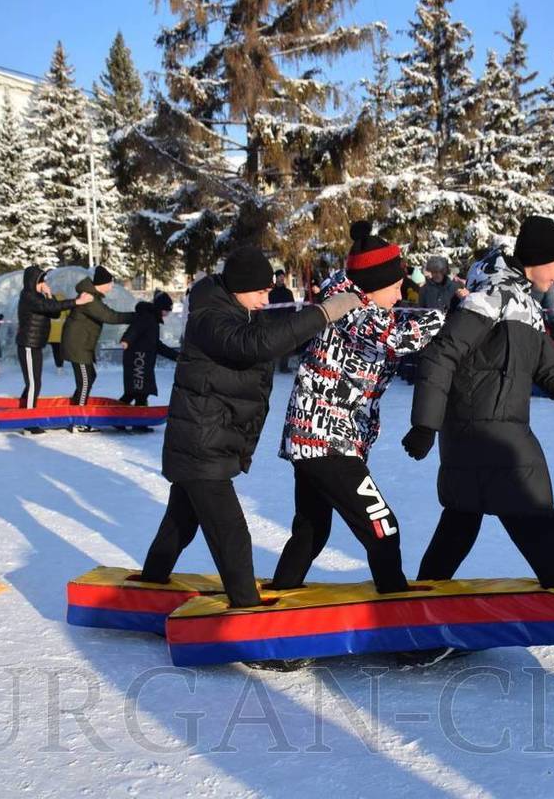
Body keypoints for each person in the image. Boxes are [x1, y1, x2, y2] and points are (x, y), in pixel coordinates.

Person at [402, 215, 554, 675]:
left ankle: (417, 630)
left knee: (459, 523)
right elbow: (443, 352)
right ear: (539, 259)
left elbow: (551, 372)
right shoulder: (490, 298)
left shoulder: (522, 303)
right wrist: (424, 424)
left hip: (476, 435)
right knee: (540, 526)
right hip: (493, 437)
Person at [132, 246, 363, 607]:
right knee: (231, 532)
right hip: (200, 444)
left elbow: (276, 335)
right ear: (239, 288)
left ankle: (149, 583)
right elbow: (255, 346)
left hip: (209, 441)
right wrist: (322, 313)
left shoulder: (240, 310)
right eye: (260, 291)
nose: (266, 298)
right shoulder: (211, 319)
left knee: (181, 521)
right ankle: (247, 609)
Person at [271, 222, 445, 596]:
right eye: (396, 286)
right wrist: (451, 316)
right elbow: (395, 338)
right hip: (327, 444)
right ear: (375, 284)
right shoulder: (352, 307)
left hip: (316, 441)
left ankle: (276, 605)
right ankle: (399, 620)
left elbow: (390, 325)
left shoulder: (358, 303)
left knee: (312, 529)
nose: (401, 294)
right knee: (383, 528)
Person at [15, 266, 92, 434]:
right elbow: (49, 307)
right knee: (34, 383)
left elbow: (54, 313)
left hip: (35, 345)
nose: (44, 283)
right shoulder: (28, 297)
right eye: (41, 280)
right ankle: (28, 420)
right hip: (28, 345)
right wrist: (76, 302)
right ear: (33, 281)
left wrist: (49, 295)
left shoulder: (38, 297)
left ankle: (22, 410)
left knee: (34, 382)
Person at [61, 266, 136, 430]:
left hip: (83, 345)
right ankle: (78, 421)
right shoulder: (89, 299)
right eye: (110, 283)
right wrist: (138, 316)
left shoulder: (93, 297)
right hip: (77, 346)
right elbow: (110, 316)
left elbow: (108, 313)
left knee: (89, 376)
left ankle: (75, 409)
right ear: (102, 283)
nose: (111, 287)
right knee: (85, 380)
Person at [118, 291, 180, 430]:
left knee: (137, 391)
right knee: (137, 391)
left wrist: (176, 356)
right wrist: (126, 340)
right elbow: (134, 329)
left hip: (142, 360)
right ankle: (128, 421)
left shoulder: (153, 320)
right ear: (160, 307)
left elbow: (156, 345)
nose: (167, 313)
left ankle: (131, 421)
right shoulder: (146, 317)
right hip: (137, 360)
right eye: (166, 310)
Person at [268, 269, 296, 373]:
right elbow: (268, 309)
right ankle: (270, 367)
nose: (281, 278)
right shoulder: (271, 294)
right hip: (274, 323)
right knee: (273, 345)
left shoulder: (288, 293)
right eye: (279, 276)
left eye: (282, 276)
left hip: (285, 322)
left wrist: (291, 318)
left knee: (286, 345)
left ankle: (284, 366)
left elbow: (292, 307)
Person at [48, 295, 68, 374]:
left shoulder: (50, 306)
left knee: (56, 351)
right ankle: (61, 366)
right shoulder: (64, 307)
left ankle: (59, 367)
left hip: (52, 335)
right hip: (62, 334)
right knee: (61, 351)